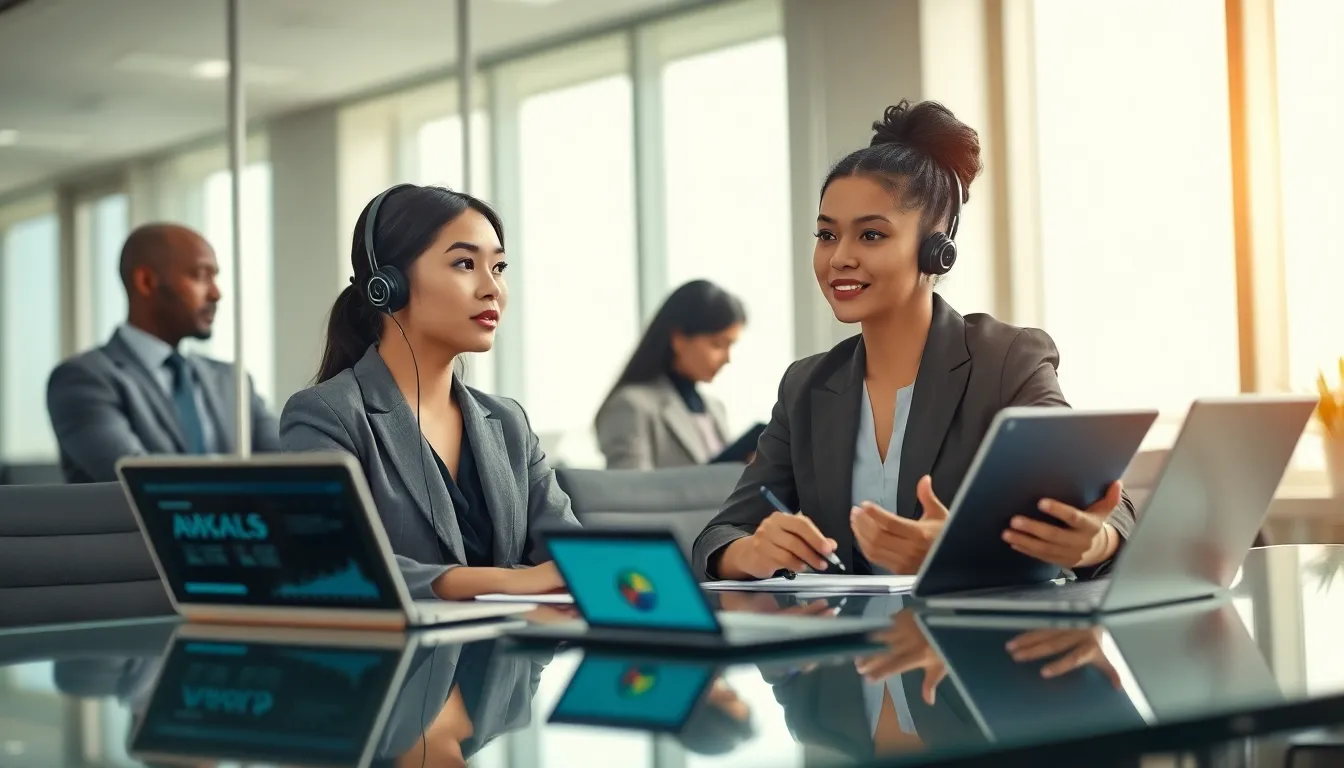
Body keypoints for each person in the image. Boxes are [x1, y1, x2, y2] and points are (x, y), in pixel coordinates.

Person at [693, 99, 1136, 582]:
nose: (838, 258)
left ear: (937, 249)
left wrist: (1091, 542)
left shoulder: (1006, 360)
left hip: (978, 647)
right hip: (846, 649)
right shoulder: (806, 386)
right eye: (826, 234)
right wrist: (752, 552)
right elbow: (722, 533)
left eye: (871, 236)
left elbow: (1106, 507)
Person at [280, 184, 579, 601]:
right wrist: (510, 580)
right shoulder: (327, 415)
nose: (492, 288)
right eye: (464, 263)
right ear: (388, 285)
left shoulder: (508, 422)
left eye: (498, 267)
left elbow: (575, 557)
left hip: (510, 660)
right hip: (398, 662)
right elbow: (332, 560)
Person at [46, 223, 280, 483]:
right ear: (146, 282)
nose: (216, 293)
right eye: (200, 275)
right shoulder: (83, 379)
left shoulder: (232, 379)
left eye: (215, 278)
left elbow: (291, 468)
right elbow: (144, 484)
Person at [595, 279, 746, 469]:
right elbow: (631, 494)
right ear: (679, 339)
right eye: (717, 344)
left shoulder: (716, 408)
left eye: (731, 346)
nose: (727, 358)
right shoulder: (631, 406)